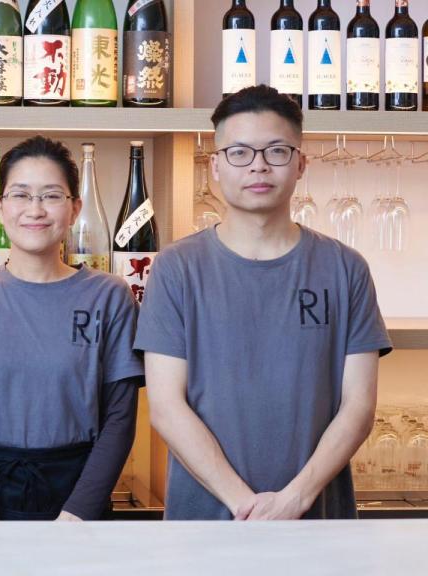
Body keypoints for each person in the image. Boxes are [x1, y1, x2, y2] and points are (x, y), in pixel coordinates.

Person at [136, 85, 392, 520]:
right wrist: (244, 503)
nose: (258, 165)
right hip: (203, 524)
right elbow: (165, 407)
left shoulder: (345, 268)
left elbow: (359, 406)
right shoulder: (176, 268)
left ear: (301, 164)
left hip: (317, 521)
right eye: (239, 152)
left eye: (276, 151)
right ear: (214, 166)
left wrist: (295, 498)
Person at [0, 136, 144, 521]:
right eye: (20, 195)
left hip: (80, 495)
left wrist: (78, 513)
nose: (35, 209)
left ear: (75, 207)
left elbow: (120, 418)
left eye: (51, 196)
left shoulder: (109, 296)